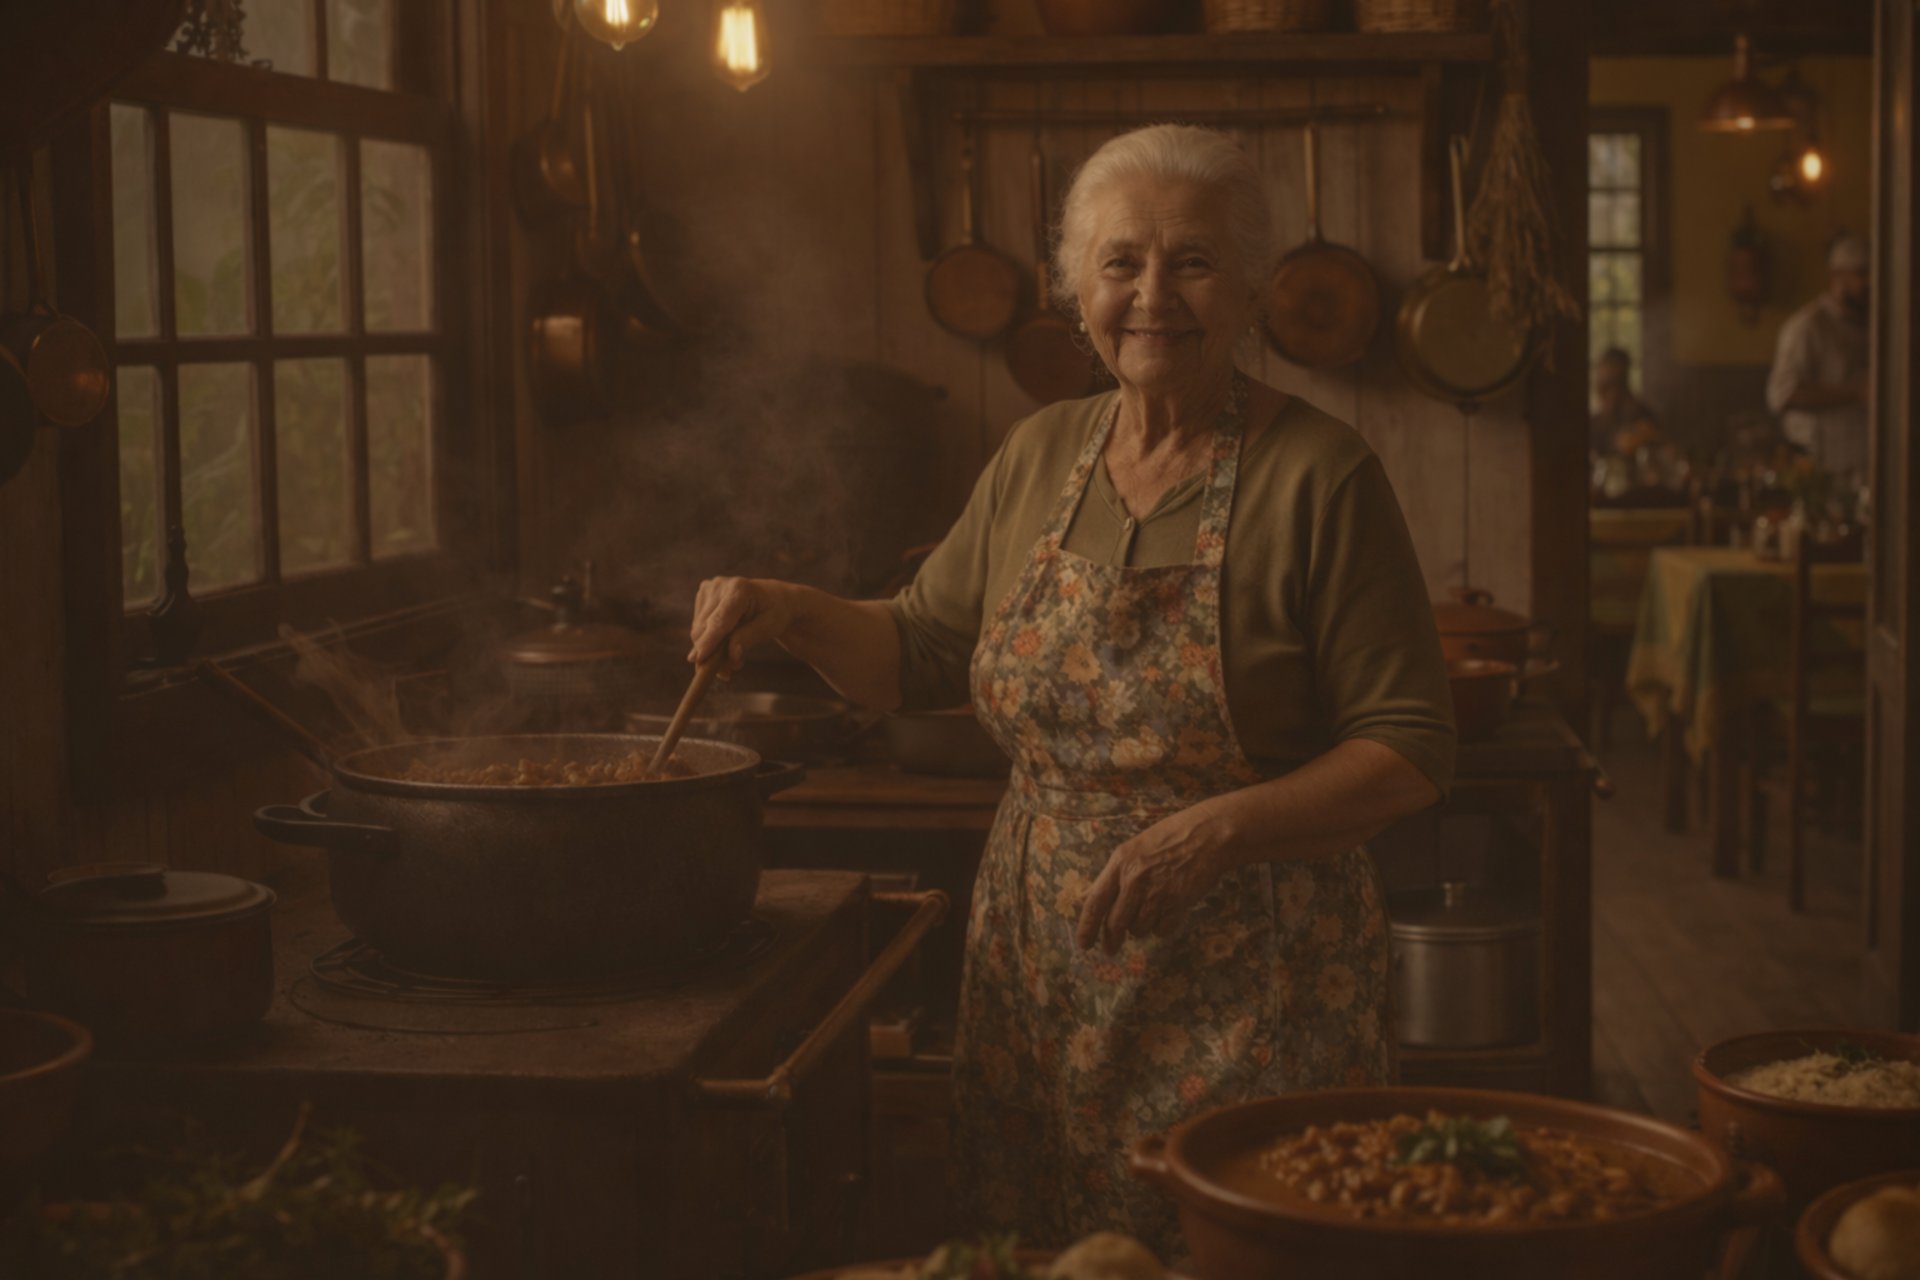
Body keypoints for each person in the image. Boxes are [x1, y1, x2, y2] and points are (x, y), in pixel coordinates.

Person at [685, 125, 1454, 1253]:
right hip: (1038, 963)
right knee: (1043, 1250)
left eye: (1193, 262)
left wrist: (1213, 832)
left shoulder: (1321, 475)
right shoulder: (1038, 453)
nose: (1153, 297)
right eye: (1120, 263)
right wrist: (793, 609)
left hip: (1250, 972)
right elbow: (919, 649)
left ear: (1251, 288)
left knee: (1218, 1252)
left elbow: (1410, 745)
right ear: (1077, 288)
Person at [1767, 232, 1870, 477]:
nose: (1870, 282)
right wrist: (1853, 391)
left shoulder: (1872, 325)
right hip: (1821, 466)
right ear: (1836, 275)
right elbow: (1782, 394)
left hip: (1862, 465)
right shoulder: (1807, 326)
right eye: (1861, 273)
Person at [1589, 347, 1661, 459]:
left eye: (1610, 385)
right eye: (1601, 386)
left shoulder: (1642, 417)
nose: (1603, 393)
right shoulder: (1594, 424)